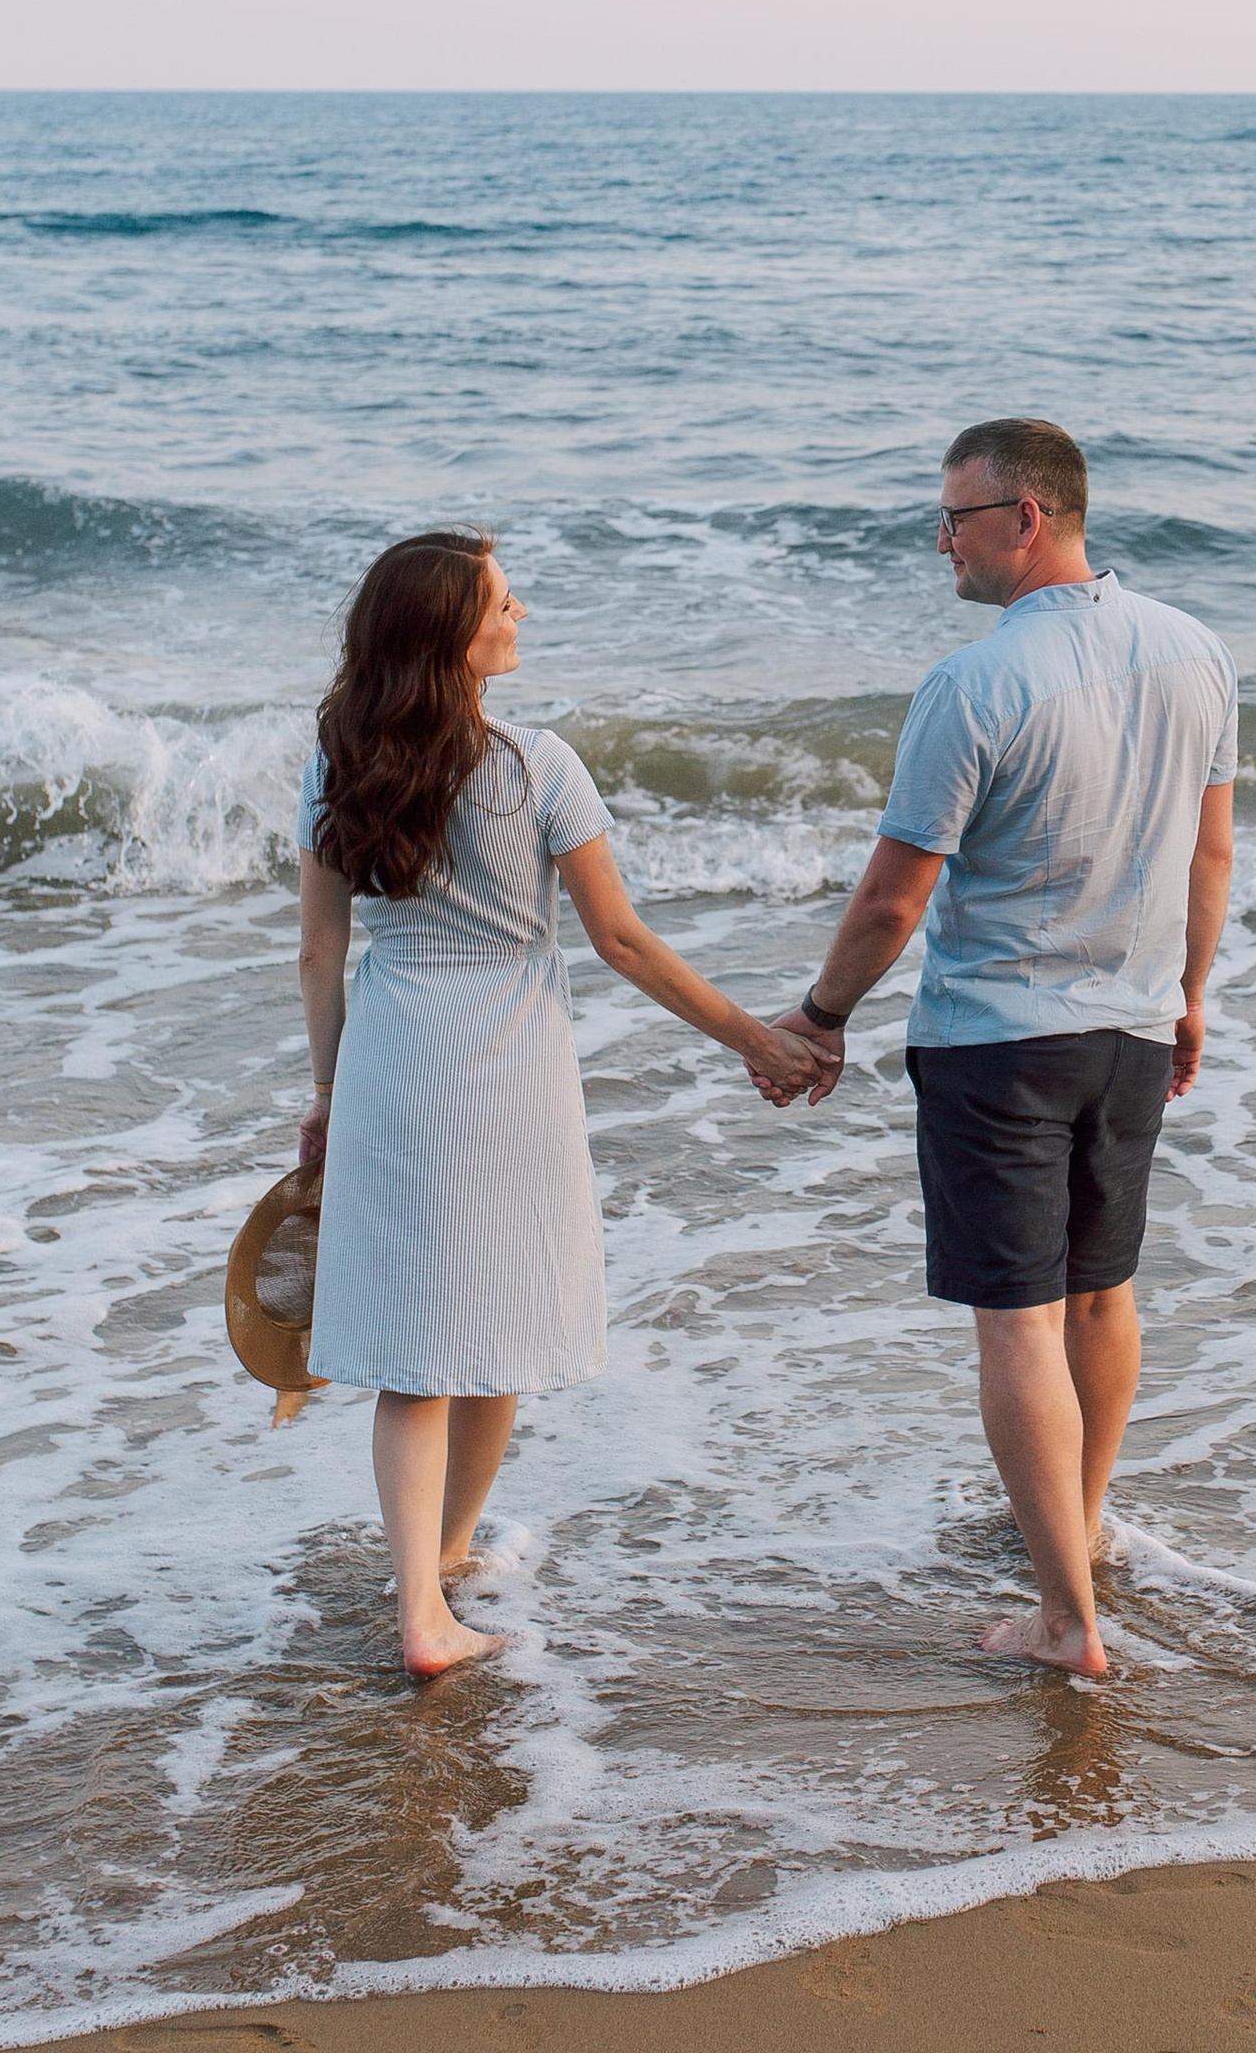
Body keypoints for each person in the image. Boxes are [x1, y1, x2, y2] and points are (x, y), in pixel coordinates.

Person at [296, 529, 817, 1677]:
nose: (521, 613)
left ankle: (431, 1579)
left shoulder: (337, 758)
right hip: (510, 1068)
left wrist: (330, 1093)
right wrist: (755, 1039)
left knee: (413, 1354)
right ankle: (433, 1588)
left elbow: (318, 956)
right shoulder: (539, 767)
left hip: (392, 1061)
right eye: (502, 602)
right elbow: (621, 940)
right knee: (494, 1329)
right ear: (452, 634)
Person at [765, 419, 1237, 1677]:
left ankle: (1068, 1620)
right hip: (1134, 1026)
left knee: (1019, 1323)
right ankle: (1076, 1534)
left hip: (1001, 1040)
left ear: (1028, 517)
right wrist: (1191, 992)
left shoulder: (973, 684)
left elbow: (889, 900)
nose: (943, 542)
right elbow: (1209, 855)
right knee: (1103, 1291)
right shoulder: (1197, 652)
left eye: (958, 519)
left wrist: (818, 1016)